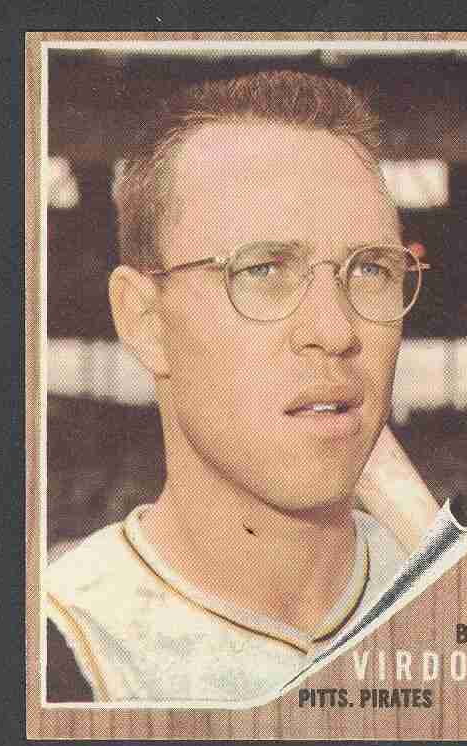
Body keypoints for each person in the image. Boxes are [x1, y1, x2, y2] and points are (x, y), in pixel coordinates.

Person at [46, 69, 443, 705]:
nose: (336, 330)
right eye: (262, 269)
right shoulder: (60, 649)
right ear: (146, 322)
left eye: (370, 268)